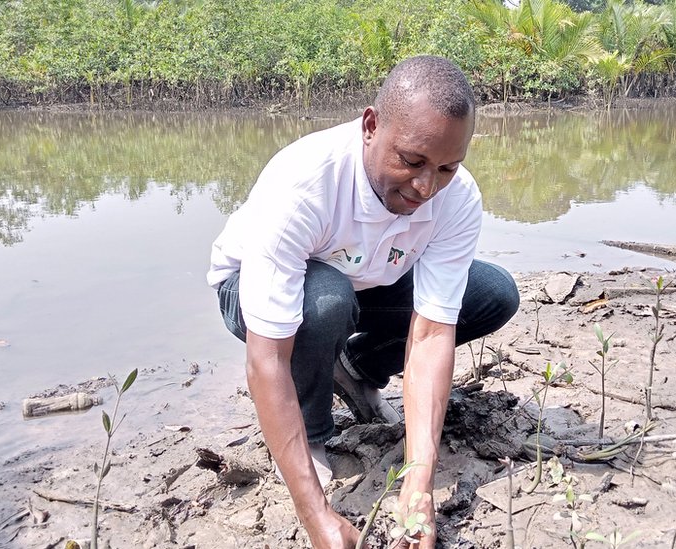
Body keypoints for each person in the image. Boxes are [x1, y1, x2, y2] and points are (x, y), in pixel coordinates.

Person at [208, 55, 519, 548]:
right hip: (254, 286)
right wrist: (317, 518)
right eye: (412, 162)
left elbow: (433, 332)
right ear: (370, 126)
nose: (425, 187)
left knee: (491, 294)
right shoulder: (304, 184)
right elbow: (266, 359)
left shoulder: (456, 197)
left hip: (369, 278)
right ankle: (311, 432)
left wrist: (418, 484)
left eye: (445, 168)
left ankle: (359, 367)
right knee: (324, 304)